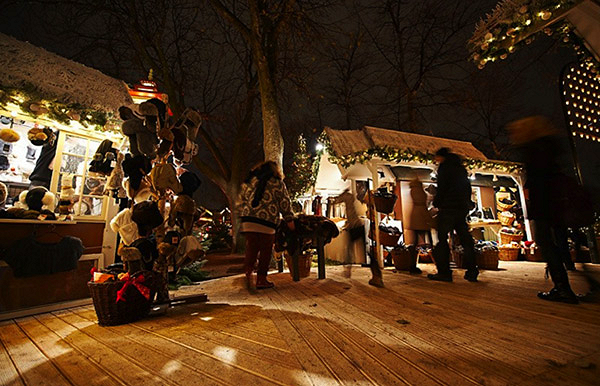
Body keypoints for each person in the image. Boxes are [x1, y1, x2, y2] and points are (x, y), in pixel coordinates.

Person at [507, 116, 578, 304]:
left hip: (545, 204)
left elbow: (537, 180)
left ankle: (562, 287)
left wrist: (534, 202)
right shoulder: (550, 147)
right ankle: (565, 283)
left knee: (546, 242)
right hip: (556, 203)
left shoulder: (534, 149)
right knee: (556, 241)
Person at [238, 161, 295, 289]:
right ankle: (261, 279)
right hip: (266, 221)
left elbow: (242, 198)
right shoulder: (277, 183)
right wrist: (289, 220)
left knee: (251, 248)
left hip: (248, 219)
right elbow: (284, 203)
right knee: (265, 250)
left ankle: (248, 272)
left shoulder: (252, 181)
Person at [428, 147, 479, 282]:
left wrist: (437, 202)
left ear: (441, 157)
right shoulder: (460, 169)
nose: (436, 160)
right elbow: (467, 187)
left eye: (437, 157)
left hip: (448, 208)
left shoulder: (445, 168)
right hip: (461, 208)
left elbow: (443, 187)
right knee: (465, 239)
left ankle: (444, 272)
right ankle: (472, 270)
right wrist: (467, 202)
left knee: (442, 239)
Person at [333, 189, 366, 278]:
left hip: (354, 227)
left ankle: (348, 270)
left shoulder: (347, 197)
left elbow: (337, 201)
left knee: (349, 249)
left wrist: (340, 196)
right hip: (358, 225)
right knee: (362, 249)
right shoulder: (352, 199)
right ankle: (374, 270)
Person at [406, 176, 433, 274]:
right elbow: (422, 204)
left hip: (416, 217)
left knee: (415, 243)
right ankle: (439, 264)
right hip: (421, 217)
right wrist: (429, 218)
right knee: (430, 241)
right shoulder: (419, 192)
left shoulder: (413, 191)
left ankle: (412, 265)